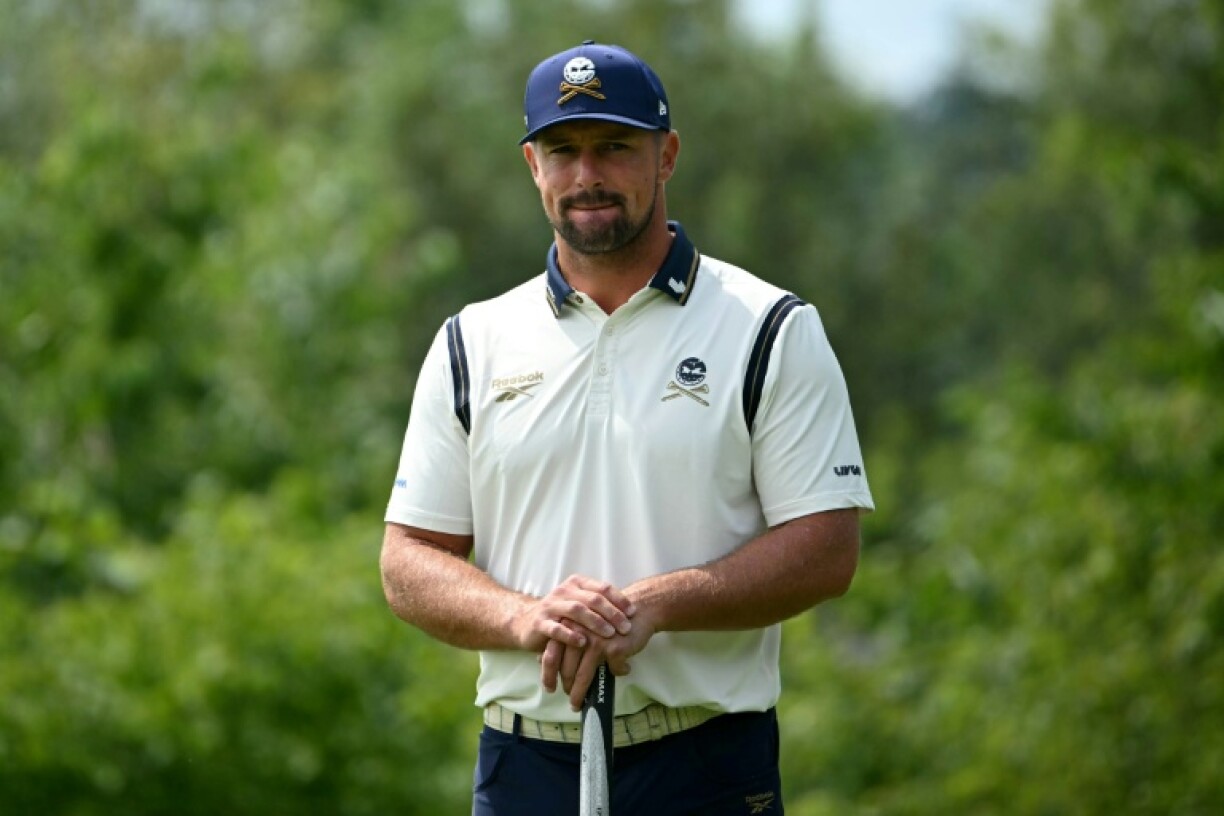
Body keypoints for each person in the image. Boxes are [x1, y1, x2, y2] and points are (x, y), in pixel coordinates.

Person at [381, 40, 874, 815]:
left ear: (667, 155)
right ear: (532, 166)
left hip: (706, 762)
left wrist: (656, 604)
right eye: (563, 150)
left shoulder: (768, 327)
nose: (587, 176)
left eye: (614, 146)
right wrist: (525, 615)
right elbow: (407, 560)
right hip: (521, 764)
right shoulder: (471, 342)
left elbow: (827, 547)